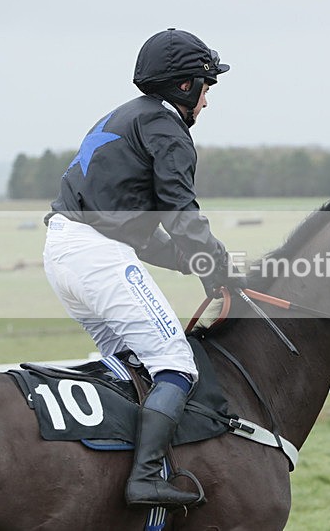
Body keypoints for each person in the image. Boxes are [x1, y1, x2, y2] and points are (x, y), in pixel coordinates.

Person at [43, 28, 243, 509]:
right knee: (176, 363)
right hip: (97, 256)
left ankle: (110, 469)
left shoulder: (125, 116)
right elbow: (180, 212)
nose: (207, 101)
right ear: (185, 86)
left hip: (62, 252)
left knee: (130, 365)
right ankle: (146, 478)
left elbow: (140, 230)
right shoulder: (168, 129)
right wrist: (216, 268)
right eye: (205, 88)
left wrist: (194, 261)